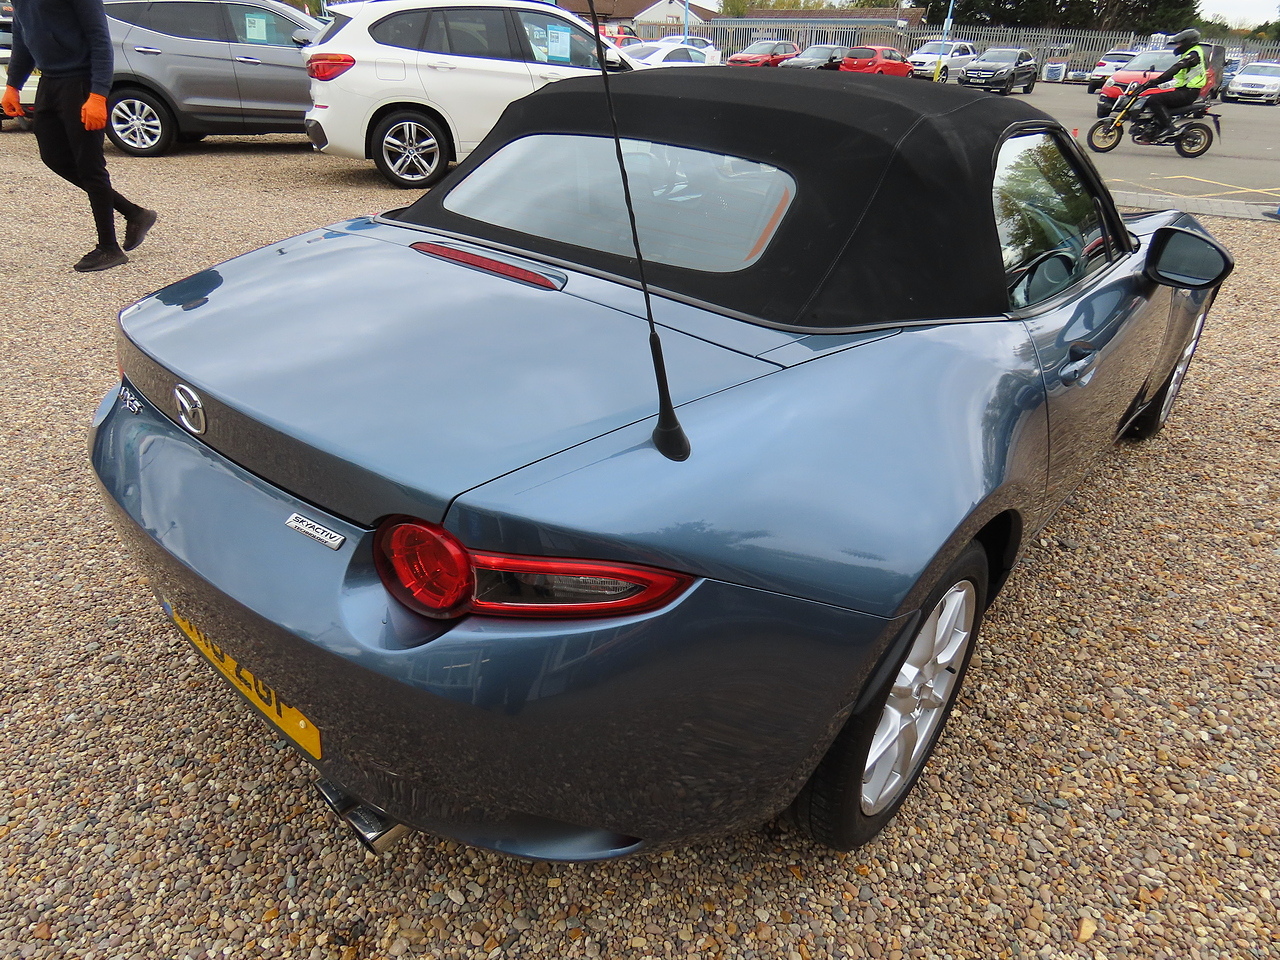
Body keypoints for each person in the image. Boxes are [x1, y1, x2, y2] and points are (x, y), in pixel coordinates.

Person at [2, 0, 157, 272]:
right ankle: (134, 213)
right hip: (50, 82)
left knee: (90, 167)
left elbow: (100, 39)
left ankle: (109, 248)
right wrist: (13, 85)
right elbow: (22, 37)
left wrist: (98, 95)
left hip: (82, 81)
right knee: (54, 158)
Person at [1139, 29, 1209, 139]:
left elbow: (1177, 67)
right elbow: (1176, 75)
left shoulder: (1194, 55)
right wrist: (1154, 83)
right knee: (1148, 99)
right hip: (1183, 90)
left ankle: (1169, 127)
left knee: (1154, 100)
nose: (1177, 46)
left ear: (1188, 42)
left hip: (1189, 92)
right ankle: (1154, 127)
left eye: (1179, 43)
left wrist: (1158, 80)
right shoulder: (1189, 53)